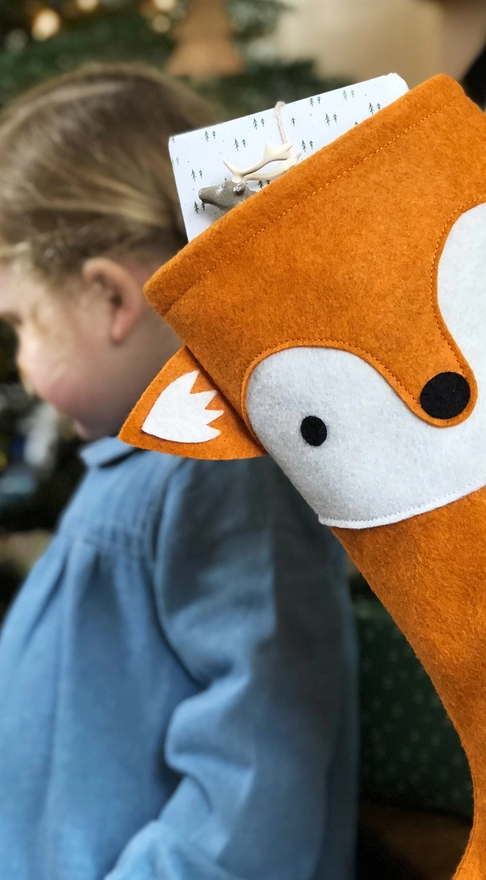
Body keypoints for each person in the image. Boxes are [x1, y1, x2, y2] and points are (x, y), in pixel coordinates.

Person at [0, 65, 358, 880]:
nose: (20, 364)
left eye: (21, 323)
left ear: (108, 300)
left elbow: (259, 775)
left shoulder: (221, 474)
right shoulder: (137, 464)